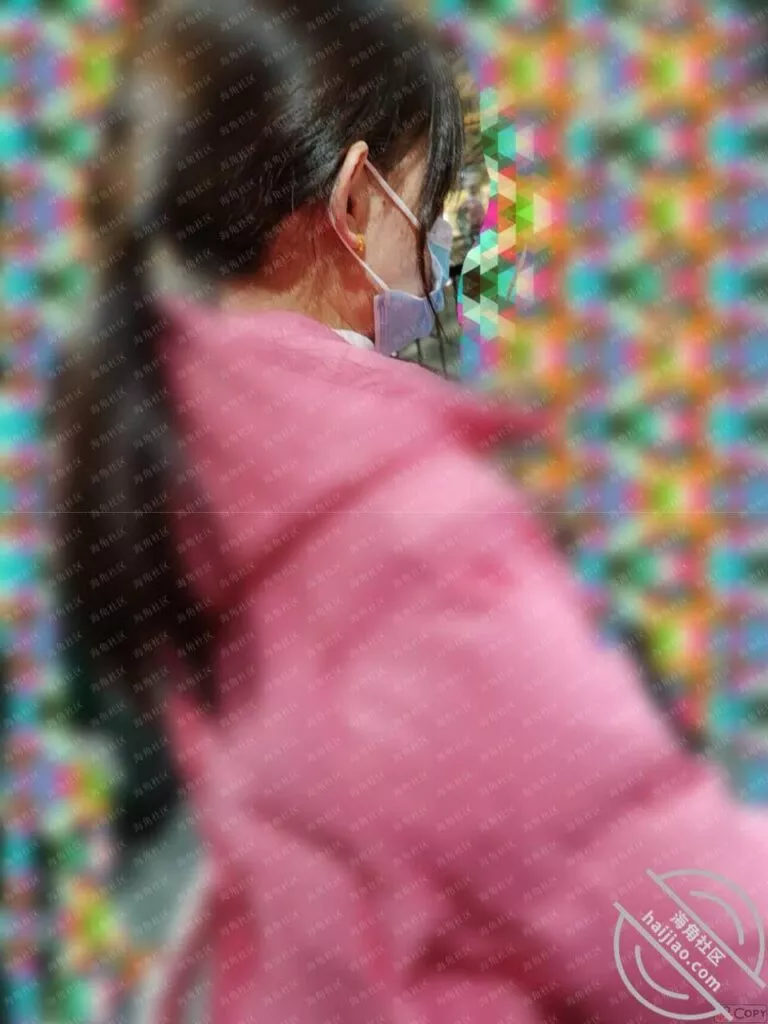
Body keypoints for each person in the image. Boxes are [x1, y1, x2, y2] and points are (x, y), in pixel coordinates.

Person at [53, 1, 768, 1022]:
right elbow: (693, 945)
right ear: (358, 199)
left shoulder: (205, 486)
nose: (437, 255)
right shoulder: (415, 552)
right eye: (427, 201)